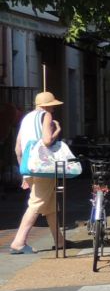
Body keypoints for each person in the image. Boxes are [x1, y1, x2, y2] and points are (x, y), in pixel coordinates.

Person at [10, 91, 65, 254]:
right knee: (37, 202)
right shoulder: (46, 115)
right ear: (47, 106)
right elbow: (47, 141)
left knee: (50, 204)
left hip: (28, 166)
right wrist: (57, 131)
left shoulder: (26, 119)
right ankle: (19, 242)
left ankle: (60, 241)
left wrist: (23, 173)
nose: (54, 109)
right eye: (52, 106)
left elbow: (17, 148)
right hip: (43, 167)